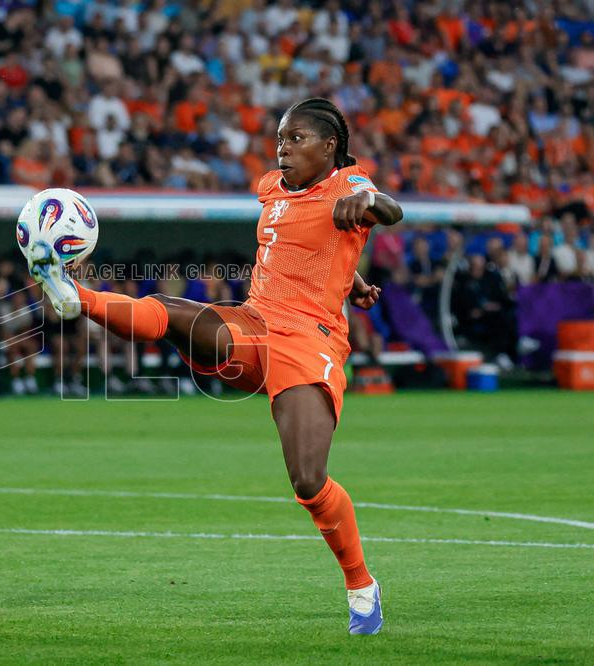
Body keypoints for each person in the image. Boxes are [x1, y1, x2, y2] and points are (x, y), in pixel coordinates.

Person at [25, 98, 402, 635]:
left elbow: (388, 210)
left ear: (329, 146)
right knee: (177, 314)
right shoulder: (272, 188)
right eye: (280, 139)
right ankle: (73, 295)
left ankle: (361, 585)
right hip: (253, 322)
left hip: (306, 341)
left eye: (296, 139)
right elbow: (302, 245)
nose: (283, 148)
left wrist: (366, 200)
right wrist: (353, 280)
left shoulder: (349, 185)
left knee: (308, 480)